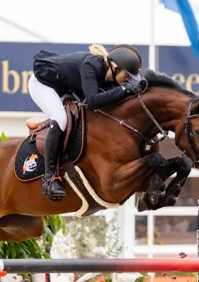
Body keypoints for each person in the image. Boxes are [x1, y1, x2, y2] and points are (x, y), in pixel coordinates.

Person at [28, 44, 146, 201]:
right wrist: (125, 90)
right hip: (42, 84)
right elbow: (92, 101)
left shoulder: (110, 76)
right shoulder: (90, 65)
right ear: (115, 68)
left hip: (63, 86)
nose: (128, 80)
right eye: (127, 76)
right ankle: (49, 178)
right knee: (60, 118)